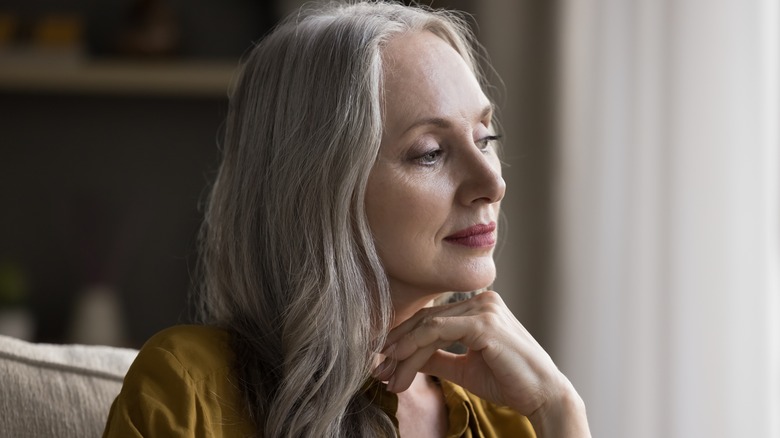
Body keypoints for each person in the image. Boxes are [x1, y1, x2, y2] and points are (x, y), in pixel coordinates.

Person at [103, 1, 591, 437]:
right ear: (317, 187)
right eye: (430, 152)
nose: (492, 182)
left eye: (485, 139)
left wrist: (560, 409)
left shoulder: (509, 419)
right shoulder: (189, 392)